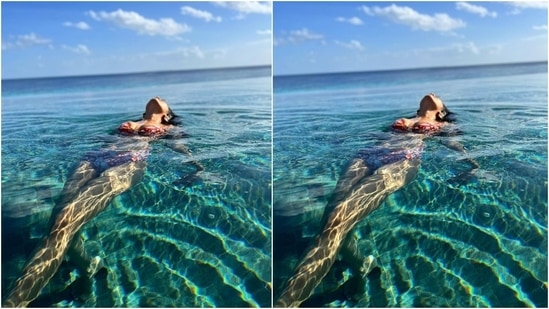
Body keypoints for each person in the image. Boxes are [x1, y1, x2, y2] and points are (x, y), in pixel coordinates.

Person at [275, 93, 478, 307]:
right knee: (330, 220)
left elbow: (456, 147)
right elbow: (375, 135)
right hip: (365, 156)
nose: (432, 94)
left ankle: (285, 302)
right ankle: (360, 266)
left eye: (438, 96)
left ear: (441, 110)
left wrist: (474, 167)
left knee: (337, 219)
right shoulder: (406, 118)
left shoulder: (442, 124)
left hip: (401, 162)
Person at [4, 97, 203, 307]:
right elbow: (103, 138)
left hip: (127, 164)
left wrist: (198, 169)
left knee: (65, 220)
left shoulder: (168, 127)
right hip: (92, 159)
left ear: (167, 113)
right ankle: (87, 267)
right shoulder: (132, 121)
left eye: (163, 99)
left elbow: (182, 149)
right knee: (57, 220)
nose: (158, 97)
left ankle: (13, 302)